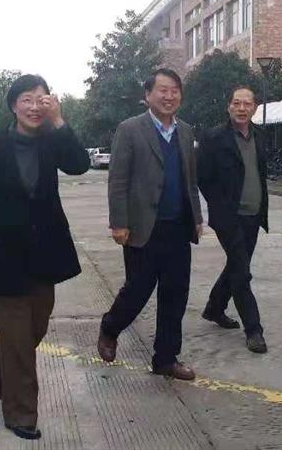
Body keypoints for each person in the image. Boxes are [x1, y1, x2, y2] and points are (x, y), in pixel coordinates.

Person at [0, 74, 90, 440]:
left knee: (34, 329)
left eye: (41, 99)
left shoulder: (51, 140)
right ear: (13, 105)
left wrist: (59, 121)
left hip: (45, 255)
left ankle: (0, 359)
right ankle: (21, 414)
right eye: (27, 100)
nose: (34, 107)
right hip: (3, 256)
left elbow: (79, 164)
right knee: (19, 341)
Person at [97, 68, 203, 381]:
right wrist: (119, 222)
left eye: (175, 91)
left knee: (175, 294)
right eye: (163, 90)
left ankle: (166, 359)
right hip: (143, 227)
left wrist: (197, 217)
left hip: (178, 226)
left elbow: (190, 179)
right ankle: (110, 327)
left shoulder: (185, 131)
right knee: (138, 290)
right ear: (148, 95)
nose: (169, 96)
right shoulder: (130, 129)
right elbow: (118, 179)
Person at [198, 86, 269, 354]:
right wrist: (219, 206)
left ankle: (214, 307)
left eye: (247, 104)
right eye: (236, 103)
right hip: (228, 218)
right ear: (229, 106)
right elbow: (202, 177)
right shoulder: (214, 138)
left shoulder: (260, 136)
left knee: (236, 266)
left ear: (254, 108)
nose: (241, 108)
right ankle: (254, 330)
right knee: (242, 272)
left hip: (253, 215)